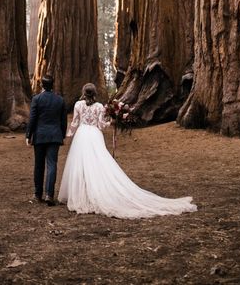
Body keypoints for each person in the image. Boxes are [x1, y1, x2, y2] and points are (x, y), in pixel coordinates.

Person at [58, 83, 197, 219]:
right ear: (95, 93)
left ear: (83, 92)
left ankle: (81, 193)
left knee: (80, 164)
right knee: (97, 163)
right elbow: (100, 125)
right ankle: (93, 191)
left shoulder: (78, 105)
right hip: (94, 135)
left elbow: (75, 122)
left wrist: (69, 134)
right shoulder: (99, 106)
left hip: (82, 135)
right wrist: (110, 122)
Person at [26, 74, 67, 206]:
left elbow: (32, 118)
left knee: (39, 165)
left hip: (40, 136)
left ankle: (38, 194)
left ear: (42, 85)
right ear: (52, 85)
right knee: (52, 164)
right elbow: (63, 121)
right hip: (55, 136)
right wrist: (62, 135)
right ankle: (49, 194)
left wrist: (28, 135)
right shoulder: (60, 100)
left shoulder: (36, 99)